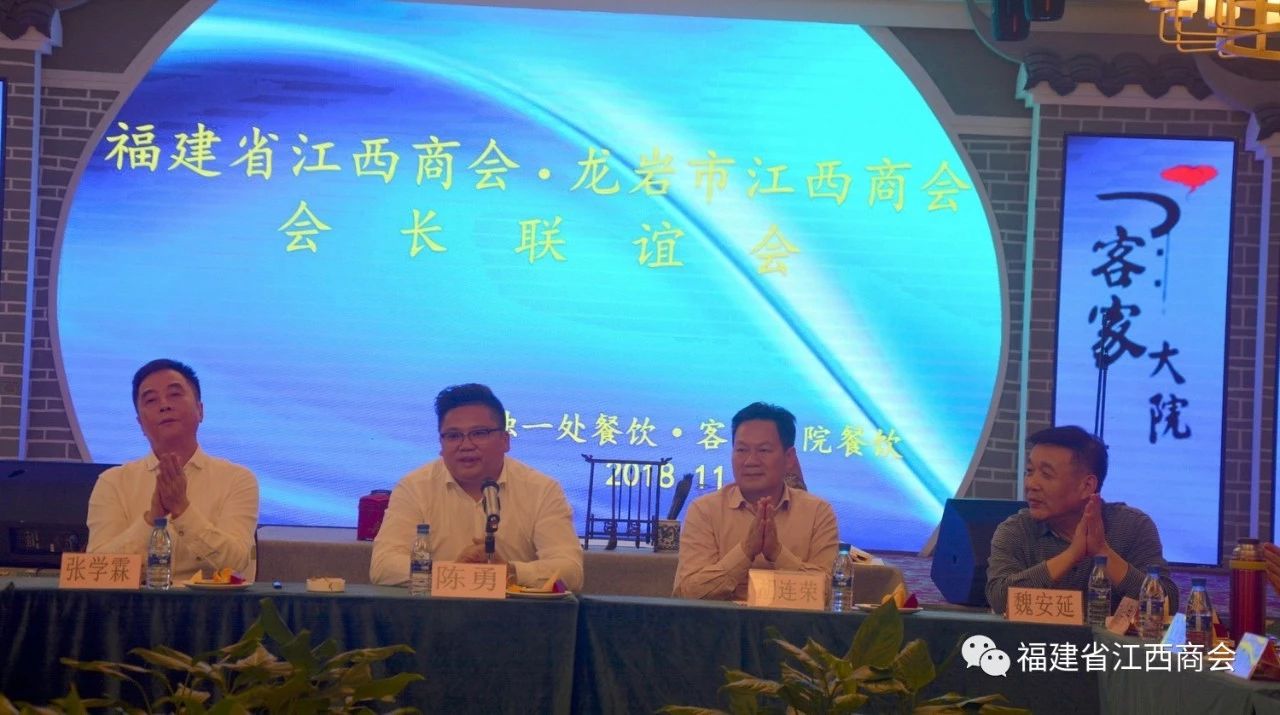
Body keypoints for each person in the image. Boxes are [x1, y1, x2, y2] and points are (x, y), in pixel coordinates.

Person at [370, 383, 584, 591]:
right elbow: (383, 565)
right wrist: (454, 572)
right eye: (453, 436)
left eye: (479, 433)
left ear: (505, 440)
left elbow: (571, 571)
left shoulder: (541, 490)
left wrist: (509, 572)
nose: (466, 445)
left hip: (515, 613)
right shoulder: (415, 488)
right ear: (441, 444)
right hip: (437, 612)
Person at [86, 358, 260, 582]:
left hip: (211, 603)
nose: (164, 405)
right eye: (151, 400)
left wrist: (182, 510)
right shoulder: (113, 483)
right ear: (140, 423)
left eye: (175, 394)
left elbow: (237, 564)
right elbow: (96, 571)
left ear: (200, 410)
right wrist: (151, 519)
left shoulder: (237, 479)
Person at [986, 425, 1178, 614]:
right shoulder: (1016, 530)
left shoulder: (1133, 527)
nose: (1031, 484)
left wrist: (1102, 551)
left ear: (1087, 486)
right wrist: (1072, 555)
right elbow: (999, 600)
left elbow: (1168, 603)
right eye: (1029, 471)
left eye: (1046, 474)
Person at [673, 402, 838, 600]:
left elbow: (831, 595)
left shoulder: (818, 513)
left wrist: (777, 553)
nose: (750, 461)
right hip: (721, 620)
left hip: (791, 621)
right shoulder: (704, 510)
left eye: (764, 450)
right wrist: (745, 552)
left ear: (789, 458)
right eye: (741, 450)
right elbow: (687, 593)